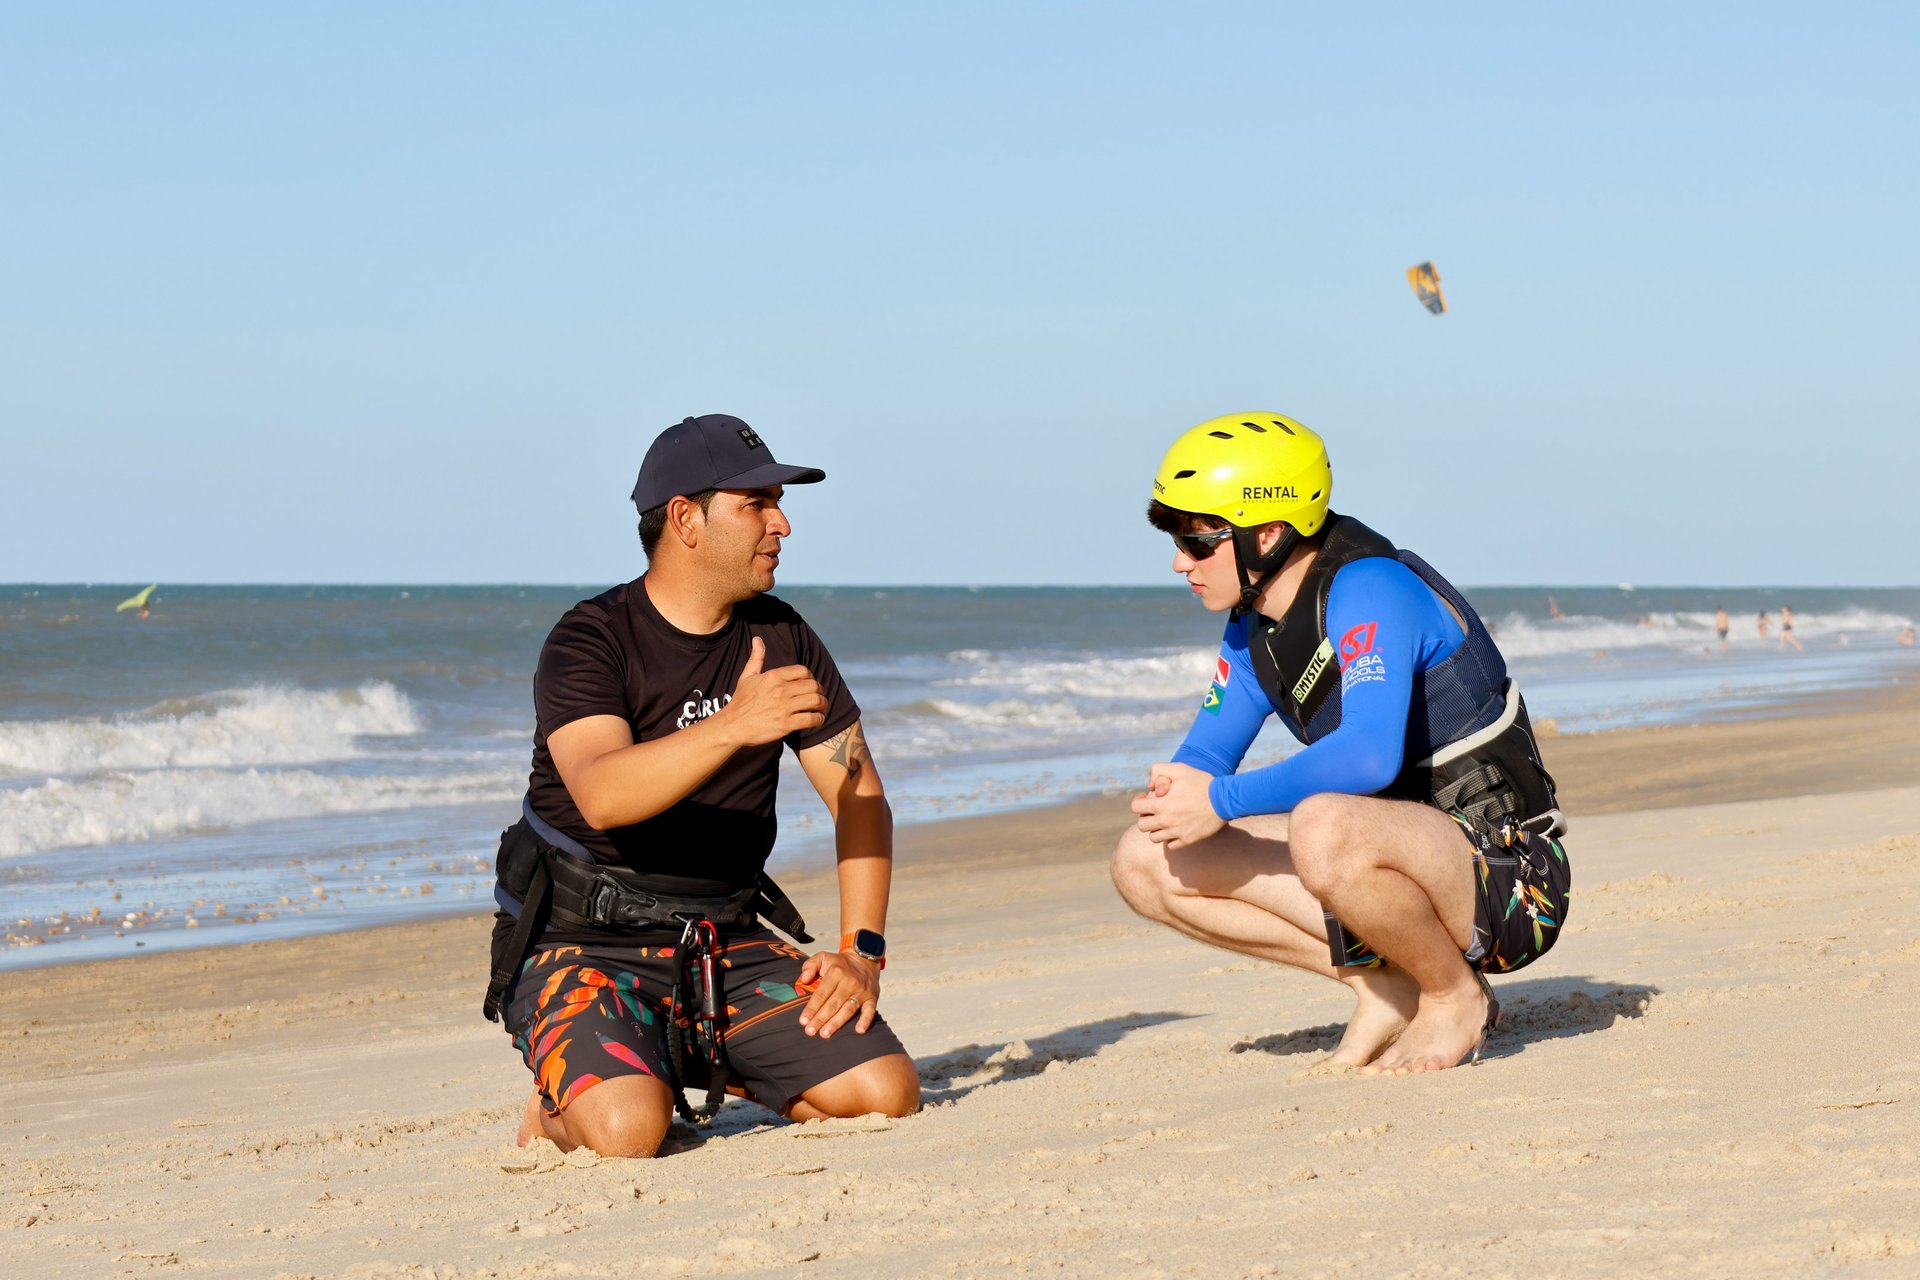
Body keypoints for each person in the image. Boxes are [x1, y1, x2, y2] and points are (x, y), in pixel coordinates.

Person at [484, 413, 920, 1158]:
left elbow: (860, 797)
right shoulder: (591, 639)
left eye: (778, 502)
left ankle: (690, 1053)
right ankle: (564, 1101)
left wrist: (861, 952)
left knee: (884, 1093)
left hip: (723, 944)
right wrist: (733, 724)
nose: (780, 523)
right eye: (755, 504)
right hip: (583, 945)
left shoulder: (781, 637)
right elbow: (602, 793)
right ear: (685, 517)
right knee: (627, 1134)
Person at [1112, 412, 1570, 1075]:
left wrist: (1223, 799)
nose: (1180, 561)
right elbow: (1207, 761)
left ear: (1267, 533)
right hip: (1387, 869)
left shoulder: (1369, 587)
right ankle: (1387, 985)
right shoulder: (1253, 629)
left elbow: (1368, 756)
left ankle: (1453, 993)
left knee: (1322, 824)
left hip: (1513, 883)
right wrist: (1178, 795)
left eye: (1199, 540)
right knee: (1144, 858)